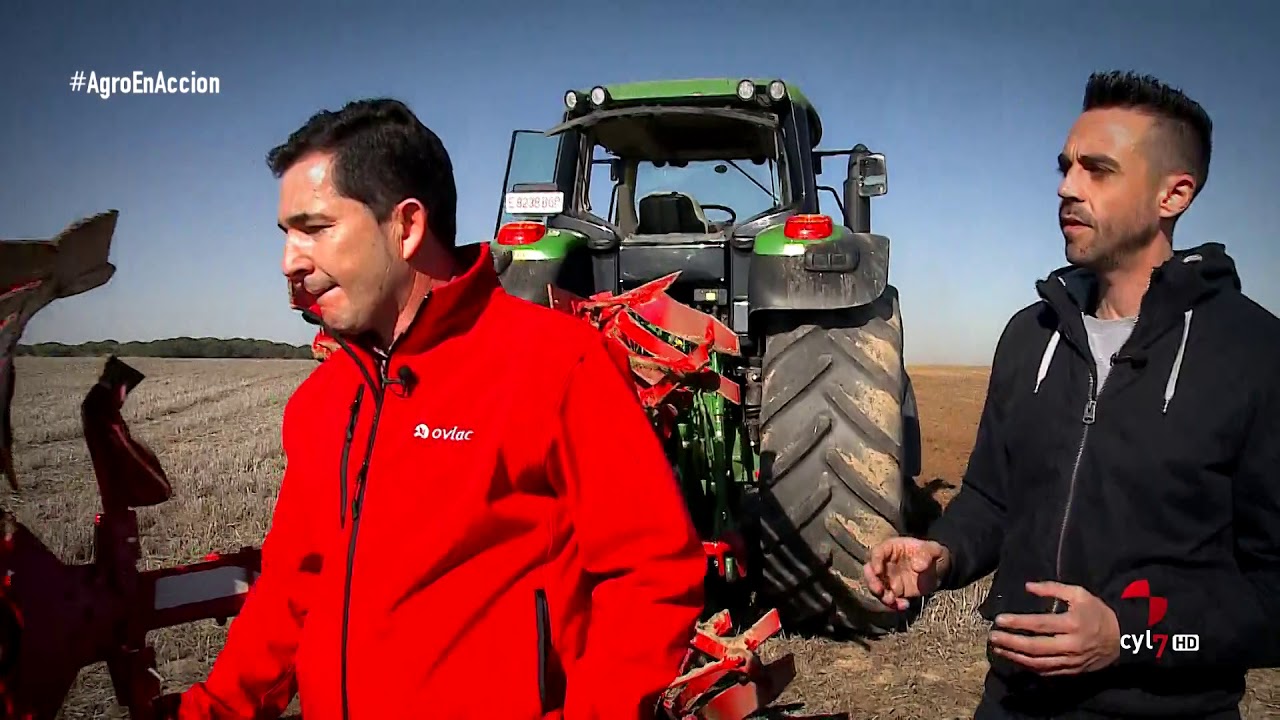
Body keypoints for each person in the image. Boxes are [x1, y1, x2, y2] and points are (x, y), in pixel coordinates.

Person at [178, 98, 708, 719]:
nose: (289, 260)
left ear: (405, 227)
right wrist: (215, 707)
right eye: (286, 234)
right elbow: (293, 586)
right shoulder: (321, 402)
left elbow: (651, 575)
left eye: (315, 228)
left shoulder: (556, 365)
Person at [864, 70, 1280, 718]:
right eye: (1065, 166)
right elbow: (992, 500)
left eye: (1098, 170)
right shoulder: (1031, 336)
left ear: (1174, 194)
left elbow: (1272, 592)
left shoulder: (1253, 354)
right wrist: (940, 554)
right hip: (1012, 703)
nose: (1066, 187)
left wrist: (1129, 639)